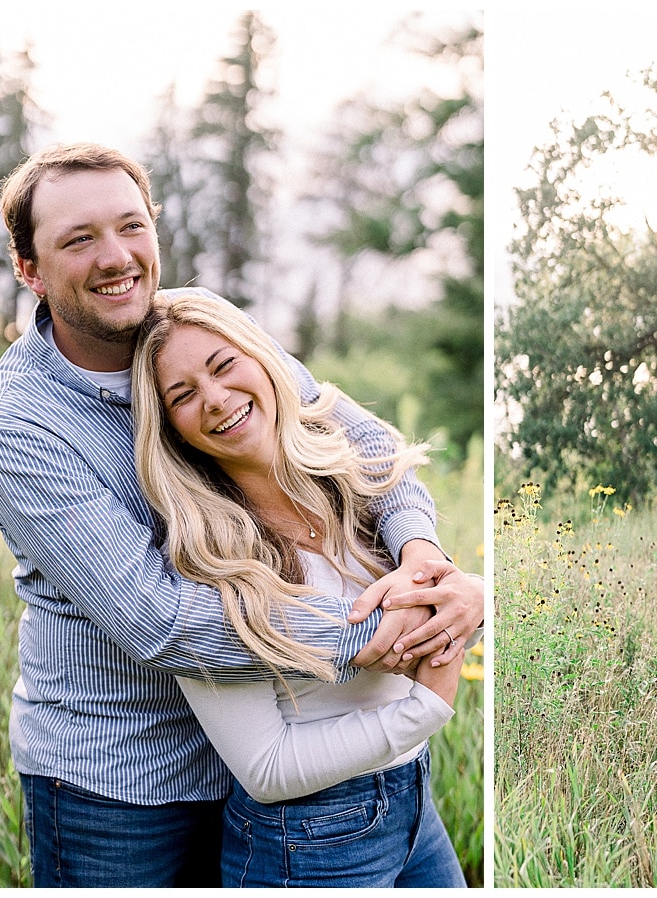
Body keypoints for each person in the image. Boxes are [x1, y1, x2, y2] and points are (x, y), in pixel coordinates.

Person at [0, 142, 483, 887]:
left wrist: (422, 558)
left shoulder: (198, 334)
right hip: (124, 783)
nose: (116, 256)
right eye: (79, 239)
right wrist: (374, 632)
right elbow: (159, 620)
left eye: (130, 226)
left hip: (274, 759)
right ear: (29, 270)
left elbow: (352, 436)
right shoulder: (19, 427)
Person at [130, 291, 473, 887]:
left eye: (223, 365)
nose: (215, 399)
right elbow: (266, 767)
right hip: (307, 841)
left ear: (266, 361)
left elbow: (436, 594)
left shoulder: (352, 478)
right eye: (182, 396)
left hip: (416, 802)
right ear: (171, 428)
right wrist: (424, 710)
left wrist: (472, 596)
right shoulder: (202, 554)